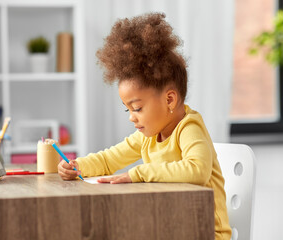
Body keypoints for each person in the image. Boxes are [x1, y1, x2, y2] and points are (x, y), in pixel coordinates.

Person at [58, 12, 231, 239]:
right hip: (170, 227)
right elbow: (109, 159)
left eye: (137, 108)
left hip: (205, 232)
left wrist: (137, 174)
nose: (132, 117)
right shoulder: (148, 136)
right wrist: (78, 166)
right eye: (127, 109)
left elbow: (196, 171)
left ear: (169, 100)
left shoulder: (189, 128)